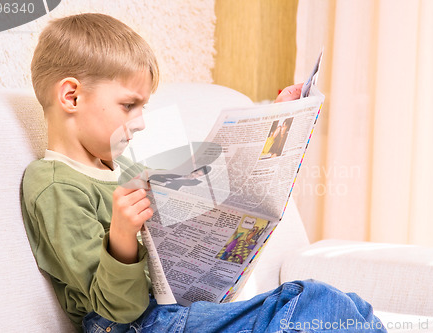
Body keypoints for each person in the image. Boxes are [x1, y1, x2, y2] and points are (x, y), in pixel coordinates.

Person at [21, 13, 386, 333]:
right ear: (71, 96)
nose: (141, 122)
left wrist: (272, 124)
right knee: (311, 303)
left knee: (347, 306)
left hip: (175, 314)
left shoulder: (123, 168)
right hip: (132, 324)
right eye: (129, 105)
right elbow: (117, 308)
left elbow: (212, 195)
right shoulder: (53, 184)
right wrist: (122, 236)